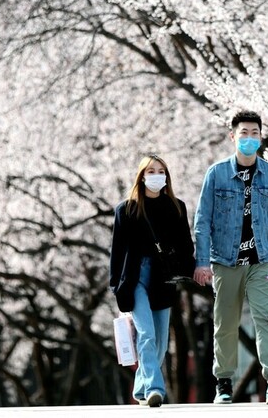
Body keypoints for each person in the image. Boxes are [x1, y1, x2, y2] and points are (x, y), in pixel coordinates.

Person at [193, 110, 268, 405]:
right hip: (225, 262)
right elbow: (202, 222)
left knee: (267, 316)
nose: (249, 139)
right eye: (244, 133)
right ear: (232, 137)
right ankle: (223, 382)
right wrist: (201, 261)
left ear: (261, 137)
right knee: (225, 322)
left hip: (262, 259)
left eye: (254, 133)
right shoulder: (216, 174)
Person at [109, 154, 195, 407]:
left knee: (160, 340)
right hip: (134, 278)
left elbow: (185, 244)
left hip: (163, 279)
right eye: (151, 171)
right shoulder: (125, 210)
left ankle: (141, 385)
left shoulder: (176, 207)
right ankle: (155, 389)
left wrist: (190, 271)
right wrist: (116, 286)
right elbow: (117, 251)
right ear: (142, 176)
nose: (156, 175)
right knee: (145, 333)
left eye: (161, 171)